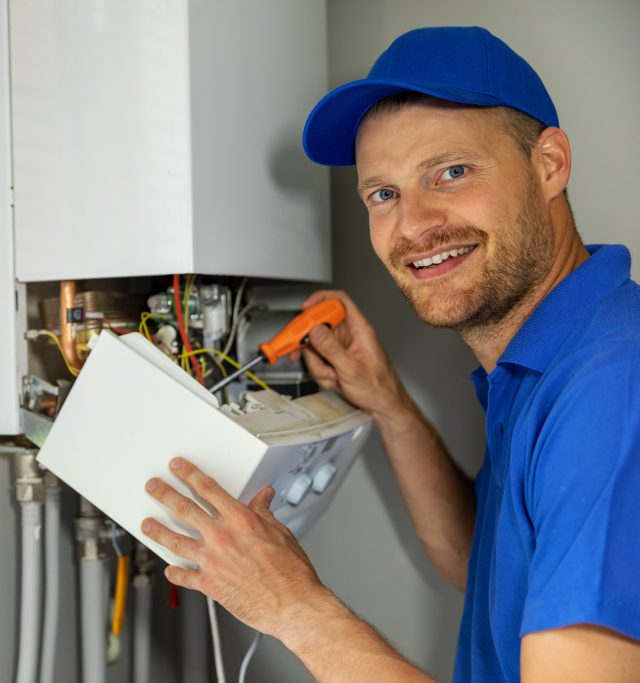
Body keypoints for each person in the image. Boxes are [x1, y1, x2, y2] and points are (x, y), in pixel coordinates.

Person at [141, 26, 640, 682]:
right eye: (383, 194)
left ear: (549, 164)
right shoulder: (545, 360)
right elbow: (480, 561)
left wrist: (293, 605)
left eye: (451, 172)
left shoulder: (609, 386)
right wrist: (390, 404)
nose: (412, 224)